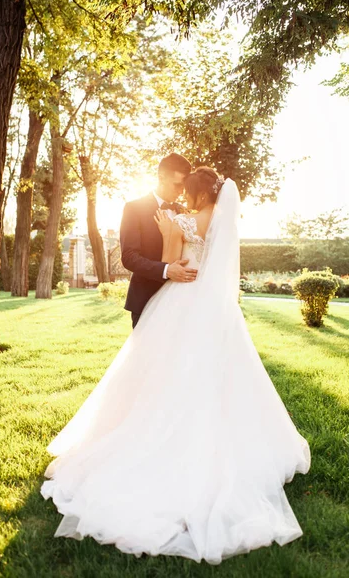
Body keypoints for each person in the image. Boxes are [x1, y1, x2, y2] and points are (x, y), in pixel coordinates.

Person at [41, 167, 311, 565]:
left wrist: (170, 231)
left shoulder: (182, 219)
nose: (183, 197)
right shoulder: (220, 223)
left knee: (160, 374)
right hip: (212, 310)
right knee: (215, 376)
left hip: (180, 303)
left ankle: (152, 428)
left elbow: (171, 259)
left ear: (198, 194)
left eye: (188, 191)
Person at [120, 152, 197, 329]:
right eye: (177, 185)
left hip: (181, 301)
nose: (181, 192)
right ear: (161, 177)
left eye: (184, 187)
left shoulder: (183, 211)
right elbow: (129, 256)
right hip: (146, 298)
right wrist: (166, 270)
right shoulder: (134, 208)